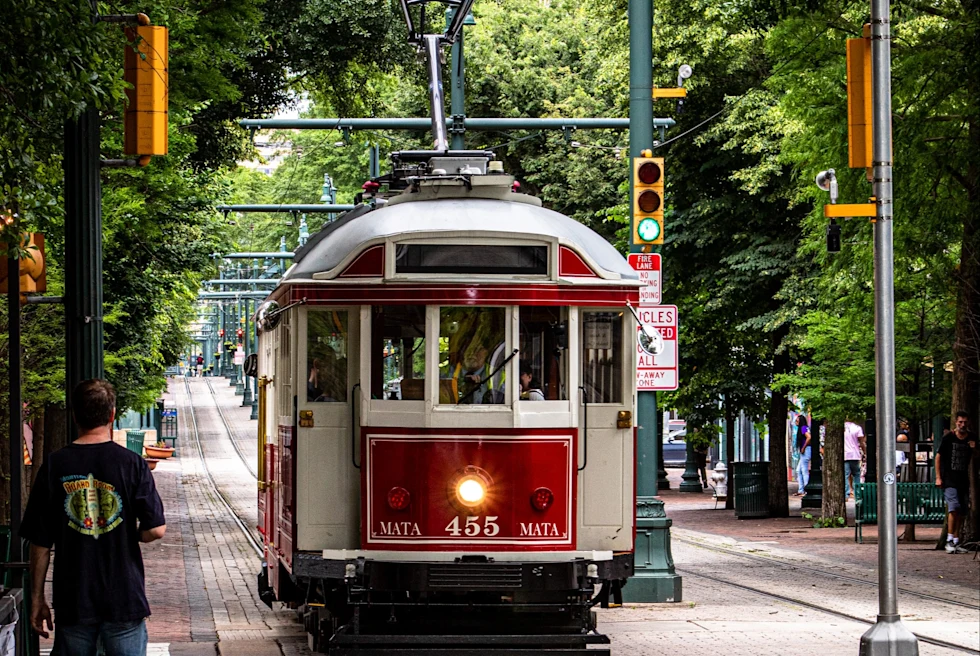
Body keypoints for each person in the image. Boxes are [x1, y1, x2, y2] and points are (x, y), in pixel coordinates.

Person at [22, 379, 167, 655]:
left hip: (74, 600)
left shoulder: (54, 465)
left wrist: (37, 598)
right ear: (112, 415)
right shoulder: (132, 463)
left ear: (74, 415)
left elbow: (40, 543)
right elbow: (156, 530)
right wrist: (130, 533)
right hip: (124, 598)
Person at [936, 411, 977, 554]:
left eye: (965, 422)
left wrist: (974, 448)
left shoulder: (972, 437)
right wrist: (938, 477)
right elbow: (938, 456)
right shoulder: (949, 438)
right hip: (949, 479)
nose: (963, 425)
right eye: (960, 422)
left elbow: (977, 455)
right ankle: (948, 539)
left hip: (963, 479)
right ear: (956, 422)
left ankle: (956, 540)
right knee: (953, 508)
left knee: (961, 511)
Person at [844, 419, 866, 499]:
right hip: (855, 454)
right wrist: (865, 452)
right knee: (856, 474)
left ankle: (846, 494)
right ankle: (857, 493)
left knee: (845, 475)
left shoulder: (841, 428)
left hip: (845, 455)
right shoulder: (857, 428)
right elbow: (861, 442)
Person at [793, 415, 811, 496]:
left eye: (797, 420)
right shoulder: (805, 427)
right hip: (806, 450)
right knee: (798, 470)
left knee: (804, 470)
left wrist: (803, 447)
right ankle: (801, 489)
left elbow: (809, 437)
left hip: (805, 450)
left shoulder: (803, 428)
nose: (796, 422)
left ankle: (806, 490)